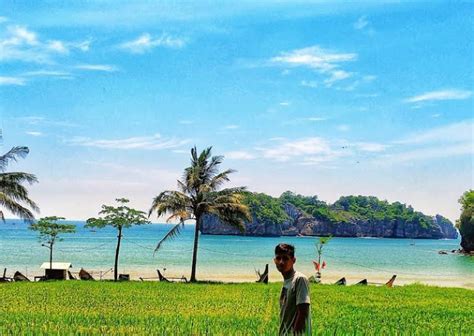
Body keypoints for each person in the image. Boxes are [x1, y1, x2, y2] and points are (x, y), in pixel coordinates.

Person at [274, 243, 311, 335]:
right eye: (278, 258)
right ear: (274, 261)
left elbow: (303, 311)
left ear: (293, 260)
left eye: (285, 258)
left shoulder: (299, 279)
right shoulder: (287, 281)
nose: (281, 262)